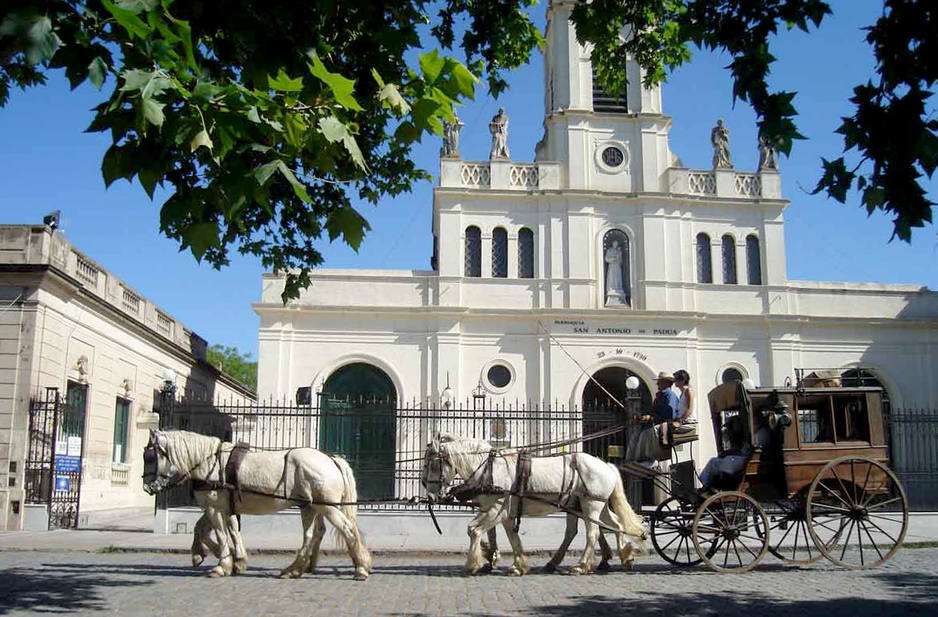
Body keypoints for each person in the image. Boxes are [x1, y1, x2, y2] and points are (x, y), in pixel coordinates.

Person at [626, 372, 679, 465]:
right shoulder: (659, 396)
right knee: (636, 434)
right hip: (653, 423)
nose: (657, 384)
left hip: (663, 425)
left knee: (647, 433)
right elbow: (653, 412)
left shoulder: (670, 396)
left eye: (660, 382)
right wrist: (642, 417)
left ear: (666, 383)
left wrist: (650, 418)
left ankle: (648, 459)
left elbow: (668, 414)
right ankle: (633, 459)